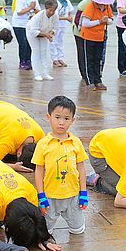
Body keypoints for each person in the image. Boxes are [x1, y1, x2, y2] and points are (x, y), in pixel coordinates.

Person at [32, 96, 88, 242]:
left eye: (66, 118)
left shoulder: (76, 142)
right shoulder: (43, 144)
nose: (61, 122)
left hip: (73, 195)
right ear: (48, 117)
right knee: (45, 232)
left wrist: (83, 192)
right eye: (57, 117)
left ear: (72, 120)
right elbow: (38, 171)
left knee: (78, 230)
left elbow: (81, 168)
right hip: (50, 196)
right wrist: (41, 194)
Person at [0, 100, 44, 172]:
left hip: (4, 106)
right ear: (19, 153)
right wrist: (13, 167)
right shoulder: (8, 141)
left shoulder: (40, 136)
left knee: (6, 156)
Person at [80, 0, 114, 91]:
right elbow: (85, 23)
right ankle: (89, 82)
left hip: (100, 37)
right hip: (89, 37)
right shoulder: (91, 6)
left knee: (98, 60)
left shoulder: (107, 7)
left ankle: (98, 81)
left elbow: (111, 20)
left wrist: (106, 20)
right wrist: (100, 21)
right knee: (88, 60)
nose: (103, 4)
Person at [27, 0, 58, 81]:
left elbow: (55, 28)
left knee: (44, 52)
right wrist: (46, 35)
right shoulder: (38, 16)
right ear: (46, 8)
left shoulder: (55, 16)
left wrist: (51, 34)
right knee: (36, 51)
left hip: (45, 33)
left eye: (53, 11)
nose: (51, 13)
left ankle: (45, 73)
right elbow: (33, 31)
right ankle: (37, 74)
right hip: (32, 32)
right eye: (50, 10)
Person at [11, 0, 40, 70]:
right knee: (23, 43)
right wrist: (30, 8)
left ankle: (28, 61)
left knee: (29, 43)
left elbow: (38, 10)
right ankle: (22, 62)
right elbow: (19, 12)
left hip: (29, 24)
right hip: (19, 24)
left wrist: (34, 9)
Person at [50, 0, 73, 69]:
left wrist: (70, 17)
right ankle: (54, 59)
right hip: (55, 25)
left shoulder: (67, 2)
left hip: (63, 25)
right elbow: (54, 16)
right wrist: (66, 18)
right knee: (54, 42)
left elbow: (70, 11)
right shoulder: (56, 3)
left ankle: (60, 58)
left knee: (60, 42)